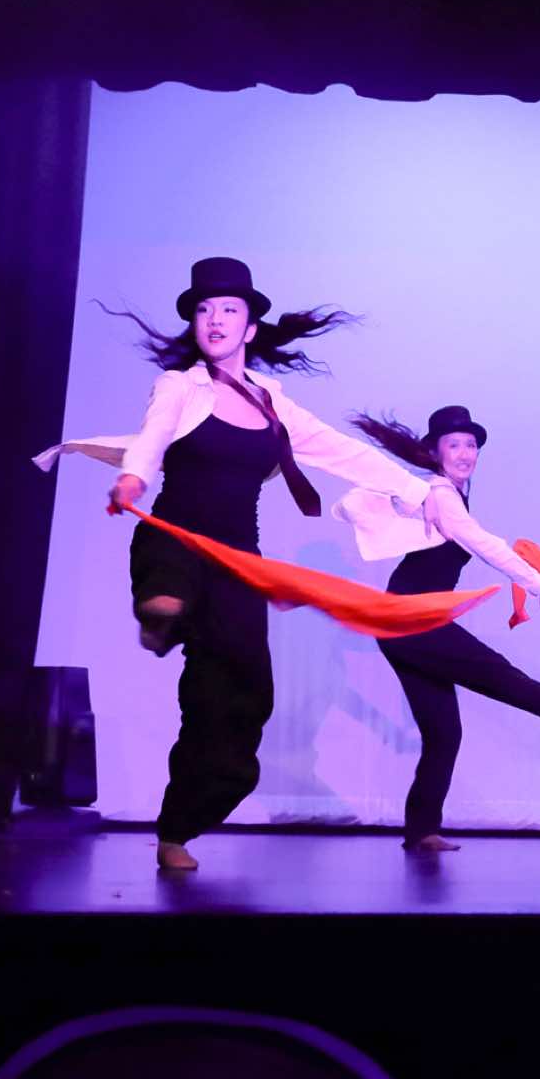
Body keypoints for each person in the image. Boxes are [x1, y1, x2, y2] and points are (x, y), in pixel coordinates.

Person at [43, 258, 444, 871]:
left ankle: (177, 829)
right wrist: (133, 477)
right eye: (204, 310)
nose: (214, 320)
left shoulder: (272, 404)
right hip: (174, 538)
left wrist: (419, 493)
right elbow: (153, 435)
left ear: (250, 327)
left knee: (241, 702)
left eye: (228, 310)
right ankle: (162, 618)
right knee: (168, 586)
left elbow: (343, 453)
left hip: (238, 560)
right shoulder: (180, 387)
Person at [340, 405, 540, 852]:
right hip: (410, 617)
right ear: (435, 452)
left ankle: (421, 831)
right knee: (493, 670)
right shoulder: (439, 493)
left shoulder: (444, 494)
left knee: (443, 733)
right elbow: (484, 544)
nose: (465, 453)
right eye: (454, 444)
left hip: (406, 620)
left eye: (471, 445)